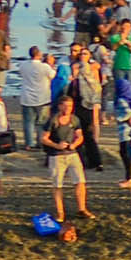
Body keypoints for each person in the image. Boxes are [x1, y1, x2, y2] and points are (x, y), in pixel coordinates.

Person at [43, 97, 90, 231]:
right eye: (65, 106)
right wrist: (57, 146)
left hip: (72, 153)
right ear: (60, 107)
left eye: (70, 106)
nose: (68, 109)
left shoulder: (75, 119)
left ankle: (82, 209)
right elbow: (44, 138)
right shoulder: (53, 121)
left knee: (80, 181)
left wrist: (74, 144)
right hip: (56, 156)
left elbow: (80, 136)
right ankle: (60, 212)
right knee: (57, 184)